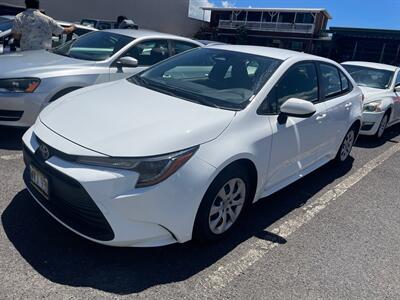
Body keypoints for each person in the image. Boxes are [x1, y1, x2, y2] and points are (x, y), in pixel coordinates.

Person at [12, 0, 76, 51]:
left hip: (26, 53)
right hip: (44, 55)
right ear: (38, 5)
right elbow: (64, 31)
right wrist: (73, 27)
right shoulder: (47, 19)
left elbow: (16, 36)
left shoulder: (19, 17)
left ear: (26, 4)